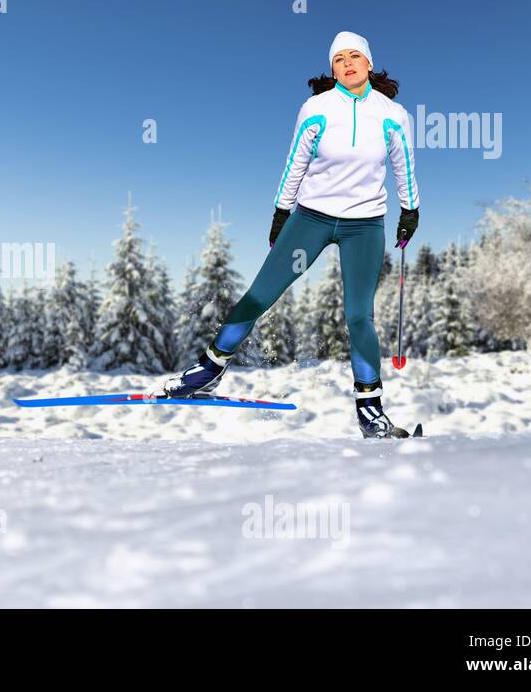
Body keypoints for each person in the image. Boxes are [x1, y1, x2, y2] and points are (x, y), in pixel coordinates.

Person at [161, 31, 420, 438]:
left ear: (369, 63)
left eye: (356, 56)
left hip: (365, 224)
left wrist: (410, 209)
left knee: (359, 315)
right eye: (339, 59)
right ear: (333, 68)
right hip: (312, 218)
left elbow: (404, 163)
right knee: (261, 293)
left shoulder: (392, 113)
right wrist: (282, 211)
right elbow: (295, 162)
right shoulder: (316, 108)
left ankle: (371, 411)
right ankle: (209, 369)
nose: (348, 64)